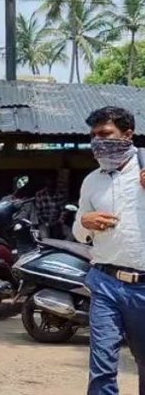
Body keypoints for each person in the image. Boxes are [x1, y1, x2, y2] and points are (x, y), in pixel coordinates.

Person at [72, 106, 145, 395]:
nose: (98, 141)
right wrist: (84, 222)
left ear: (128, 135)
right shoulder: (92, 181)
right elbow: (79, 233)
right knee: (102, 367)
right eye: (93, 136)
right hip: (105, 283)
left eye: (105, 134)